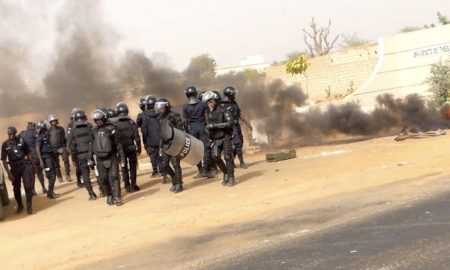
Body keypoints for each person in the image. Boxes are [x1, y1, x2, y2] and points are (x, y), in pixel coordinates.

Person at [89, 109, 126, 206]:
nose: (98, 122)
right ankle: (109, 195)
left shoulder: (112, 129)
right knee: (103, 179)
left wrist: (122, 158)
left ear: (104, 119)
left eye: (100, 119)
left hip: (112, 157)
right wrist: (90, 159)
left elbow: (118, 144)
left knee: (115, 177)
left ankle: (117, 197)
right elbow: (91, 146)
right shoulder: (93, 131)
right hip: (100, 159)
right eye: (96, 120)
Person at [202, 91, 236, 186]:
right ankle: (225, 173)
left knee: (228, 157)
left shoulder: (224, 110)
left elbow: (229, 123)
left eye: (210, 101)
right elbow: (209, 125)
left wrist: (215, 126)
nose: (209, 104)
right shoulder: (209, 113)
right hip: (216, 139)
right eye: (207, 102)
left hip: (225, 137)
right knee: (216, 157)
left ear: (215, 100)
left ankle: (231, 177)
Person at [1, 126, 37, 214]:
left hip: (24, 165)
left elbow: (28, 153)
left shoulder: (21, 141)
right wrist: (9, 173)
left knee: (28, 187)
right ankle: (20, 205)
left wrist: (34, 165)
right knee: (16, 190)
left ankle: (29, 208)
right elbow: (4, 160)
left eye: (13, 134)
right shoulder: (5, 144)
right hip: (14, 167)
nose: (11, 136)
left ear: (15, 133)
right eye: (10, 134)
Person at [182, 86, 213, 178]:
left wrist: (187, 132)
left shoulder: (185, 107)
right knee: (206, 148)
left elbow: (185, 122)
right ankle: (206, 170)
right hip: (202, 127)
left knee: (194, 150)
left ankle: (200, 170)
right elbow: (207, 117)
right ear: (195, 93)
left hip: (192, 130)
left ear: (187, 95)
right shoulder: (203, 104)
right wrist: (208, 128)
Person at [155, 97, 184, 192]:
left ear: (166, 106)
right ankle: (174, 180)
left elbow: (180, 130)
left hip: (174, 144)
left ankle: (179, 184)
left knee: (176, 165)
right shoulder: (160, 118)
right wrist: (160, 146)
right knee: (164, 165)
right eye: (159, 108)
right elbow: (161, 133)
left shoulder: (175, 116)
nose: (160, 109)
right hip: (165, 145)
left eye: (162, 107)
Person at [67, 110, 97, 200]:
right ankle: (103, 190)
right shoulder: (90, 128)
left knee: (85, 175)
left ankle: (91, 194)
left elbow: (71, 147)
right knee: (98, 172)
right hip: (93, 154)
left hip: (81, 155)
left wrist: (74, 157)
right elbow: (95, 141)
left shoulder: (72, 131)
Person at [221, 86, 253, 169]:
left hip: (236, 125)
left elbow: (239, 114)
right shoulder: (222, 105)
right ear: (230, 94)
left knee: (240, 143)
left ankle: (231, 160)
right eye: (233, 94)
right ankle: (242, 162)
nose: (235, 95)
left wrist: (248, 123)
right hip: (230, 127)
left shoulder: (234, 103)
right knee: (237, 144)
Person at [115, 102, 142, 192]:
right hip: (131, 148)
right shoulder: (131, 123)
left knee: (124, 168)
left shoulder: (115, 124)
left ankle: (127, 186)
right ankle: (133, 185)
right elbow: (137, 138)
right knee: (133, 167)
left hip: (121, 150)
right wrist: (139, 149)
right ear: (127, 111)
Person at [20, 122, 47, 195]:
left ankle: (33, 190)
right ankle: (44, 188)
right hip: (35, 156)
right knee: (39, 173)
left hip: (27, 157)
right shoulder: (35, 133)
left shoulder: (21, 134)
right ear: (33, 127)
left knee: (31, 174)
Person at [36, 121, 60, 199]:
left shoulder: (46, 135)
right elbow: (37, 149)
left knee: (53, 175)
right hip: (46, 159)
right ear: (43, 127)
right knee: (51, 176)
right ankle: (50, 193)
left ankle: (51, 192)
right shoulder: (40, 137)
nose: (47, 127)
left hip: (50, 157)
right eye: (45, 126)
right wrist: (41, 161)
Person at [141, 95, 163, 179]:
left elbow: (144, 130)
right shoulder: (160, 114)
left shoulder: (144, 116)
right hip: (161, 139)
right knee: (161, 157)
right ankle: (163, 173)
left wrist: (145, 140)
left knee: (154, 156)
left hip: (151, 140)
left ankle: (156, 171)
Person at [48, 114, 71, 182]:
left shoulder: (61, 128)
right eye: (52, 121)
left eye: (55, 121)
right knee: (56, 164)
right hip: (53, 148)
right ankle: (59, 177)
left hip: (62, 146)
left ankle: (68, 175)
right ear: (50, 122)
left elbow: (65, 138)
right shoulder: (48, 131)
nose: (54, 122)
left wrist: (67, 147)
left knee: (66, 161)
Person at [67, 108, 84, 188]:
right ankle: (79, 180)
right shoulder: (70, 125)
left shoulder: (83, 122)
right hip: (75, 148)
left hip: (83, 146)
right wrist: (69, 148)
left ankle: (84, 179)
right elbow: (69, 138)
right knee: (78, 166)